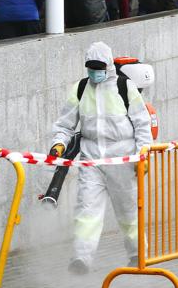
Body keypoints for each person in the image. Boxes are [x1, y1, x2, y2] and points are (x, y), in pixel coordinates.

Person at [50, 41, 151, 275]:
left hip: (123, 160)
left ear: (108, 66)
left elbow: (142, 124)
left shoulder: (125, 87)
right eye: (90, 68)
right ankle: (81, 258)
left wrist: (142, 155)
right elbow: (65, 124)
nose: (95, 73)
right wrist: (58, 143)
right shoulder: (80, 89)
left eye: (98, 67)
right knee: (87, 210)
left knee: (128, 212)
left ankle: (138, 255)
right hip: (91, 160)